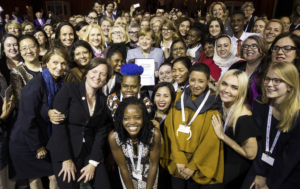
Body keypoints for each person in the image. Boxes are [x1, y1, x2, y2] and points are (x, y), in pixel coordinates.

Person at [47, 58, 112, 189]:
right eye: (94, 71)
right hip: (65, 149)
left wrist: (93, 163)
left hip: (89, 151)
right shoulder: (69, 89)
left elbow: (101, 132)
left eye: (103, 74)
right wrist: (66, 159)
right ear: (87, 72)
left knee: (104, 185)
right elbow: (58, 125)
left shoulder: (103, 100)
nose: (97, 77)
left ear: (106, 79)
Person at [9, 46, 69, 189]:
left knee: (52, 176)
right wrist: (37, 147)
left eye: (63, 63)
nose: (59, 67)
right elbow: (26, 119)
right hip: (25, 142)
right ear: (46, 63)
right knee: (37, 180)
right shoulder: (35, 85)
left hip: (40, 138)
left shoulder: (59, 82)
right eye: (55, 62)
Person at [160, 63, 224, 189]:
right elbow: (170, 129)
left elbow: (211, 139)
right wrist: (178, 158)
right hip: (177, 161)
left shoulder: (213, 104)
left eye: (201, 81)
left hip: (198, 164)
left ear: (208, 80)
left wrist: (192, 166)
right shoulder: (177, 98)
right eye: (192, 80)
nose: (195, 85)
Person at [242, 61, 300, 189]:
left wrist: (270, 184)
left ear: (290, 85)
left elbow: (290, 158)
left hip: (288, 172)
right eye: (267, 79)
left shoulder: (297, 115)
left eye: (277, 81)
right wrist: (260, 173)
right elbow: (259, 141)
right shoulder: (260, 104)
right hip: (262, 164)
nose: (269, 84)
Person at [212, 69, 260, 189]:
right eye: (224, 84)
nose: (227, 90)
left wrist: (223, 136)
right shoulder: (222, 104)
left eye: (234, 87)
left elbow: (251, 154)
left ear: (242, 91)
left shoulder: (243, 117)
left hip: (234, 172)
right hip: (221, 162)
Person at [108, 97, 161, 189]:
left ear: (143, 118)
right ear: (121, 119)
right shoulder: (114, 137)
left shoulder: (154, 134)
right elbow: (123, 168)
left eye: (137, 118)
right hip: (128, 174)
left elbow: (153, 165)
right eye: (126, 118)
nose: (132, 122)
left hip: (149, 174)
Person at [229, 35, 268, 107]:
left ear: (262, 49)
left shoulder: (267, 70)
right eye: (246, 46)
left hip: (257, 110)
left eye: (254, 46)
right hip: (233, 107)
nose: (249, 49)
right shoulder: (235, 67)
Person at [10, 35, 42, 106]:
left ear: (39, 48)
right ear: (20, 52)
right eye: (24, 48)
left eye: (32, 46)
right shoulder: (17, 72)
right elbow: (20, 100)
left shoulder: (48, 67)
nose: (29, 51)